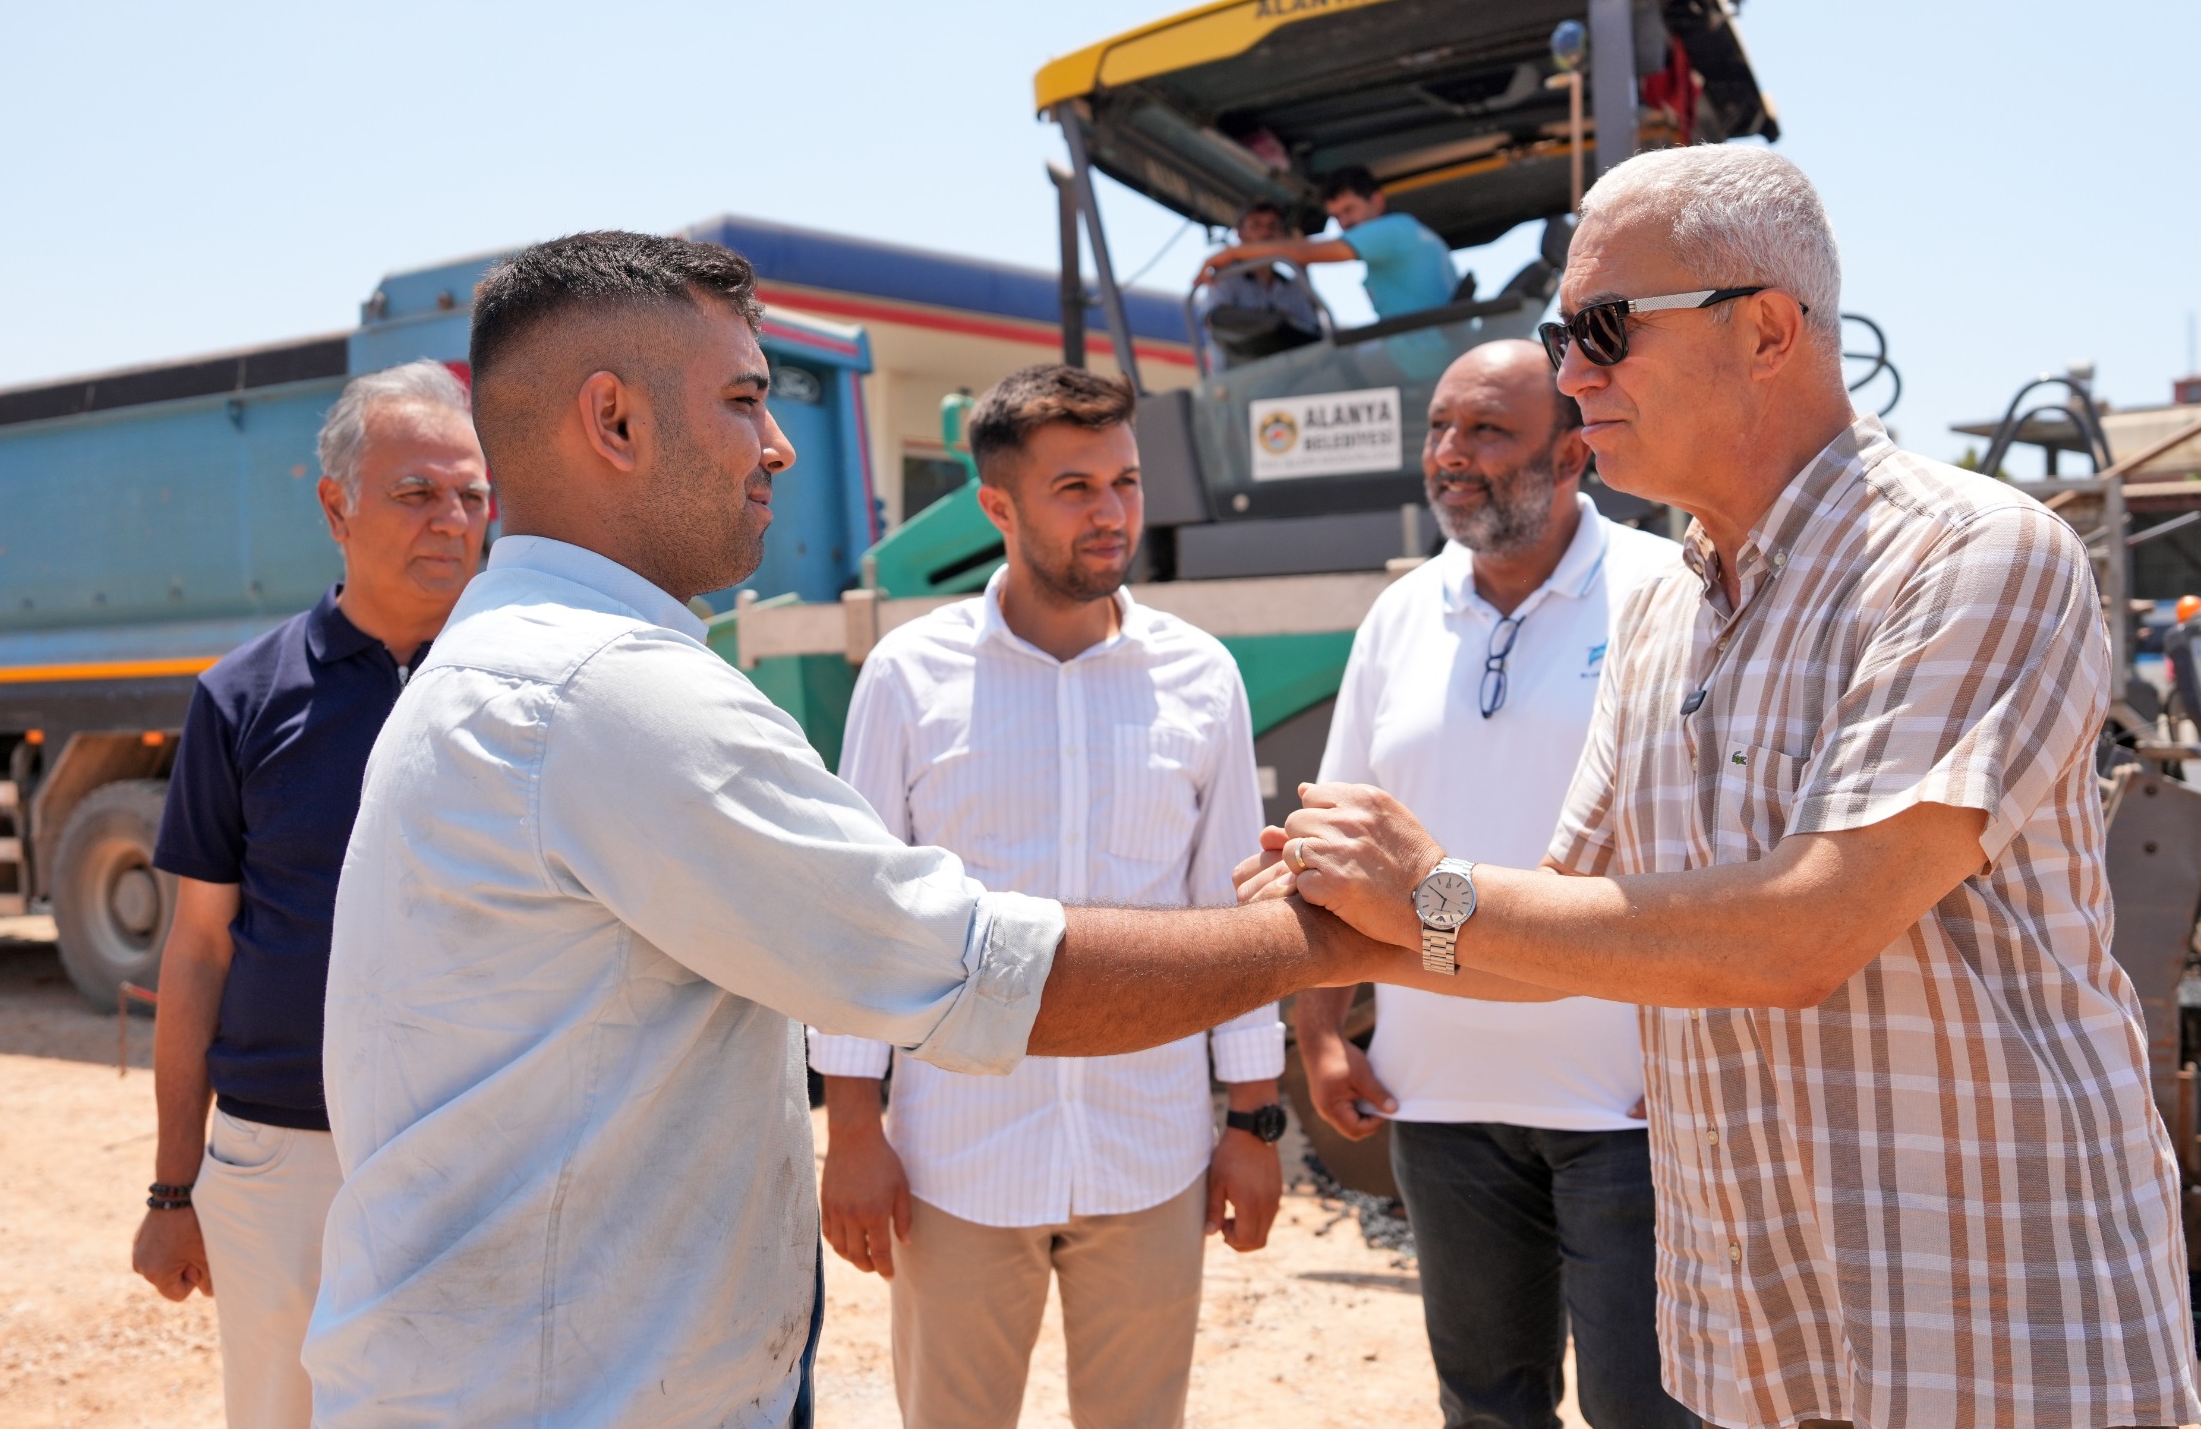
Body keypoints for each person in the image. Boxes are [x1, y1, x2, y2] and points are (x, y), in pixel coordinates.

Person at [305, 231, 1418, 1428]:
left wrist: (1249, 1099)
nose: (777, 444)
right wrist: (1347, 936)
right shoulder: (603, 692)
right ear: (614, 421)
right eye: (745, 399)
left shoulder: (520, 664)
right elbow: (975, 971)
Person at [1248, 144, 2201, 1429]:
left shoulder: (1971, 556)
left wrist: (1422, 890)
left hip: (1987, 1331)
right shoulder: (1664, 615)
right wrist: (1302, 935)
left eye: (1602, 330)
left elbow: (1802, 930)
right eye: (1562, 338)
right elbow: (1549, 933)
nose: (1571, 375)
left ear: (1764, 329)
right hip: (1759, 1341)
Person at [809, 363, 1285, 1429]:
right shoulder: (908, 676)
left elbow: (1237, 916)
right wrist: (854, 1128)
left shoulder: (1200, 676)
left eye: (1125, 481)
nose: (1111, 511)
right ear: (998, 505)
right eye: (1075, 488)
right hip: (958, 1154)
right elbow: (863, 917)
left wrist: (1254, 1118)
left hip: (1151, 1146)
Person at [1294, 338, 1691, 1429]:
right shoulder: (1399, 614)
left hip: (1630, 1105)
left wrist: (1708, 1054)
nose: (1450, 454)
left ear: (1571, 455)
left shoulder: (1667, 592)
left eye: (1486, 431)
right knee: (1484, 1407)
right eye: (1439, 428)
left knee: (1649, 1411)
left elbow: (1723, 845)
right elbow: (1336, 834)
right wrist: (1321, 1031)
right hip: (1440, 1098)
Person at [130, 361, 489, 1429]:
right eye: (416, 492)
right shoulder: (242, 699)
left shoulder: (522, 689)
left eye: (472, 494)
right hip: (285, 1158)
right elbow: (199, 949)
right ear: (336, 506)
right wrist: (172, 1188)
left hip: (478, 1148)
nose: (453, 519)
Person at [1196, 166, 1460, 329]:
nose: (1345, 223)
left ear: (1377, 201)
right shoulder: (1408, 231)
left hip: (1422, 357)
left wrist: (1233, 253)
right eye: (1336, 216)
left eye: (1349, 209)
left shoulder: (1390, 231)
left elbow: (1307, 253)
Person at [1198, 200, 1322, 365]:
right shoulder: (1227, 278)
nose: (1265, 232)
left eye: (1273, 226)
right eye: (1256, 226)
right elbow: (1214, 319)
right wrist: (1271, 323)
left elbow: (1313, 333)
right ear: (1240, 233)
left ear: (1282, 234)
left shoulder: (1293, 287)